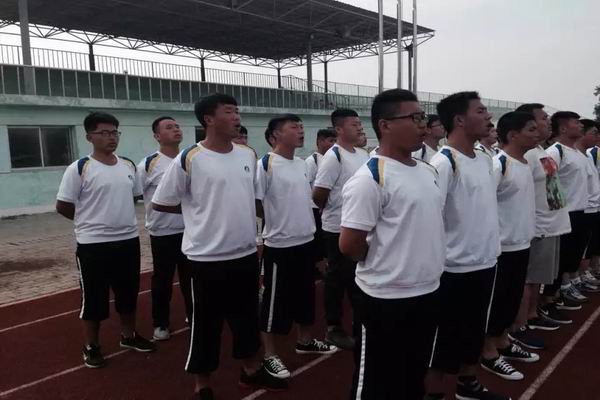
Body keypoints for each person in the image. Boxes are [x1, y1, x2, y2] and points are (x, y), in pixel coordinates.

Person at [152, 94, 287, 400]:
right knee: (206, 324)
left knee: (246, 318)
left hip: (244, 253)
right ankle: (202, 384)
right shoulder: (190, 157)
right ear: (209, 120)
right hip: (205, 258)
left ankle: (251, 370)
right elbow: (162, 201)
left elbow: (253, 198)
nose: (237, 117)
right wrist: (197, 211)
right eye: (229, 112)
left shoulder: (247, 155)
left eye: (237, 111)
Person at [340, 89, 444, 399]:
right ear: (385, 125)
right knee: (375, 383)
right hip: (385, 298)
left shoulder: (428, 170)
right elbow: (350, 245)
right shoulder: (371, 177)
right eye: (415, 117)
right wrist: (386, 260)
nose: (423, 124)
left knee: (413, 376)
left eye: (423, 117)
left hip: (427, 291)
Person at [56, 112, 155, 369]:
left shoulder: (128, 166)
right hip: (93, 245)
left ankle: (128, 336)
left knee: (128, 293)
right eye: (104, 133)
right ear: (89, 136)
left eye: (114, 133)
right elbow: (63, 205)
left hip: (128, 241)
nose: (111, 138)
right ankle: (92, 345)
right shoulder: (79, 168)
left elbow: (134, 196)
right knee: (94, 299)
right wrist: (88, 223)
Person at [425, 92, 507, 400]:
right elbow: (431, 217)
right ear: (459, 120)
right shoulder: (444, 163)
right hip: (452, 269)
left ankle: (468, 385)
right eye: (481, 111)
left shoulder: (484, 158)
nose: (489, 117)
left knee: (474, 331)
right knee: (443, 339)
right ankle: (433, 393)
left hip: (485, 262)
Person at [256, 114, 337, 380]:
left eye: (301, 127)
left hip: (305, 241)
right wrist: (277, 221)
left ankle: (305, 341)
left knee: (305, 295)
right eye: (294, 127)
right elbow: (255, 202)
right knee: (274, 302)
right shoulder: (265, 163)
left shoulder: (301, 163)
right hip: (280, 245)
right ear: (275, 135)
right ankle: (270, 355)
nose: (301, 131)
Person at [480, 111, 539, 381]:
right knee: (497, 302)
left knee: (511, 300)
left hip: (521, 244)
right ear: (513, 135)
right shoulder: (499, 164)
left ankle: (503, 341)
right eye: (531, 129)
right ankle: (488, 352)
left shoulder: (524, 163)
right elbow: (484, 206)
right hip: (501, 249)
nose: (537, 134)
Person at [509, 104, 572, 352]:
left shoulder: (540, 151)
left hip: (551, 223)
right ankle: (521, 324)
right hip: (539, 225)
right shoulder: (527, 156)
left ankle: (533, 314)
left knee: (538, 278)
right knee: (529, 278)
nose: (546, 123)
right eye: (542, 119)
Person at [313, 108, 369, 350]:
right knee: (338, 279)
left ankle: (359, 325)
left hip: (361, 226)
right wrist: (334, 212)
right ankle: (333, 327)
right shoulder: (334, 156)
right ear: (339, 129)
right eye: (353, 124)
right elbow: (319, 194)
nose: (359, 127)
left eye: (359, 123)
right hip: (337, 227)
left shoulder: (362, 154)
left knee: (358, 279)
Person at [137, 116, 192, 341]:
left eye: (177, 126)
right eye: (169, 127)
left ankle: (194, 316)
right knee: (162, 281)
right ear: (157, 136)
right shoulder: (148, 164)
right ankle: (160, 323)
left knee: (191, 279)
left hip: (190, 231)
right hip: (163, 233)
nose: (176, 130)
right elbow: (135, 193)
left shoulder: (189, 159)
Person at [544, 112, 593, 306]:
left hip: (581, 212)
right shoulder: (555, 152)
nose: (580, 126)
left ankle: (562, 289)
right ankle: (550, 297)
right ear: (563, 128)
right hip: (564, 214)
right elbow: (549, 185)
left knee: (572, 257)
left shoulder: (579, 154)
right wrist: (558, 214)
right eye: (576, 122)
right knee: (560, 260)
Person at [306, 128, 337, 267]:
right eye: (331, 141)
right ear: (320, 141)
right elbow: (306, 185)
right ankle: (318, 265)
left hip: (327, 207)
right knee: (318, 238)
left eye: (335, 140)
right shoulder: (312, 161)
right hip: (315, 208)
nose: (334, 144)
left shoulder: (333, 159)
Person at [577, 120, 600, 287]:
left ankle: (591, 268)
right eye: (594, 132)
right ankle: (580, 274)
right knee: (584, 244)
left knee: (593, 241)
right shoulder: (592, 153)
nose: (596, 136)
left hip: (595, 204)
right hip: (585, 207)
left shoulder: (586, 155)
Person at [585, 120, 600, 278]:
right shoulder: (592, 153)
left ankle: (595, 267)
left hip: (596, 204)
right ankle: (584, 272)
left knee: (596, 240)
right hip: (589, 205)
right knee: (588, 242)